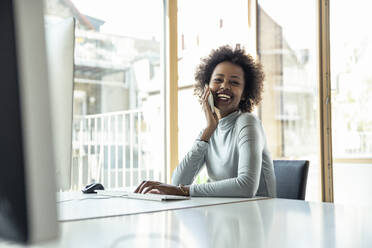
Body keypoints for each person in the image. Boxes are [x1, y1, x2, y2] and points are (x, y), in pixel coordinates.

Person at [134, 45, 276, 197]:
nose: (224, 86)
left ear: (244, 93)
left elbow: (246, 187)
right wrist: (208, 131)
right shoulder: (210, 131)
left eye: (234, 82)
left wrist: (185, 190)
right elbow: (178, 181)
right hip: (226, 214)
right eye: (218, 80)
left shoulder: (247, 123)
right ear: (206, 88)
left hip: (258, 215)